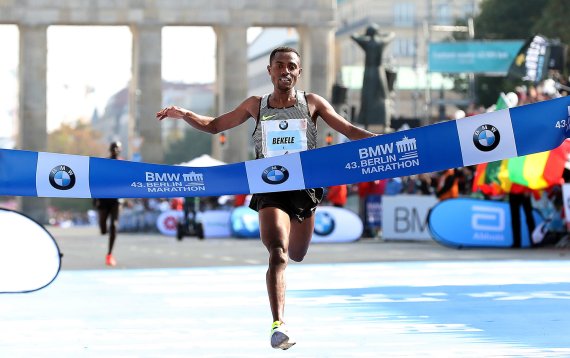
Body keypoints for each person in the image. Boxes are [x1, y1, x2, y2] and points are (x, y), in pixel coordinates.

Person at [156, 46, 376, 350]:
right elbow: (215, 126)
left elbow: (350, 130)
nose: (286, 71)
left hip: (305, 188)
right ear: (270, 71)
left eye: (292, 67)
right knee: (278, 253)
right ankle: (278, 325)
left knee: (297, 254)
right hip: (270, 185)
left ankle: (281, 303)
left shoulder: (312, 103)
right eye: (280, 66)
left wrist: (387, 142)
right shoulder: (255, 106)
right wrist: (185, 114)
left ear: (299, 72)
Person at [93, 141, 122, 267]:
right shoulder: (104, 163)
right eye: (113, 147)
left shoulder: (124, 164)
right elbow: (96, 180)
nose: (115, 149)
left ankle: (109, 254)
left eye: (117, 148)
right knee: (103, 229)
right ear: (110, 149)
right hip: (104, 198)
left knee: (114, 226)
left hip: (117, 199)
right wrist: (95, 198)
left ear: (120, 150)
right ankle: (104, 229)